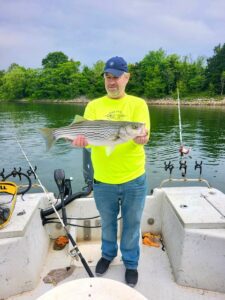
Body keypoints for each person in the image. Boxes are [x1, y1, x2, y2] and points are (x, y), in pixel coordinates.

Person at [72, 56, 150, 287]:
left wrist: (141, 137)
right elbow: (89, 140)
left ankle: (131, 262)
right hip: (103, 180)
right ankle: (107, 255)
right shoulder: (94, 106)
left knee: (132, 224)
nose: (111, 81)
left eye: (116, 76)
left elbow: (143, 136)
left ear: (127, 77)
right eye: (108, 76)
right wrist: (80, 141)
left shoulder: (138, 104)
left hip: (134, 178)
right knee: (107, 222)